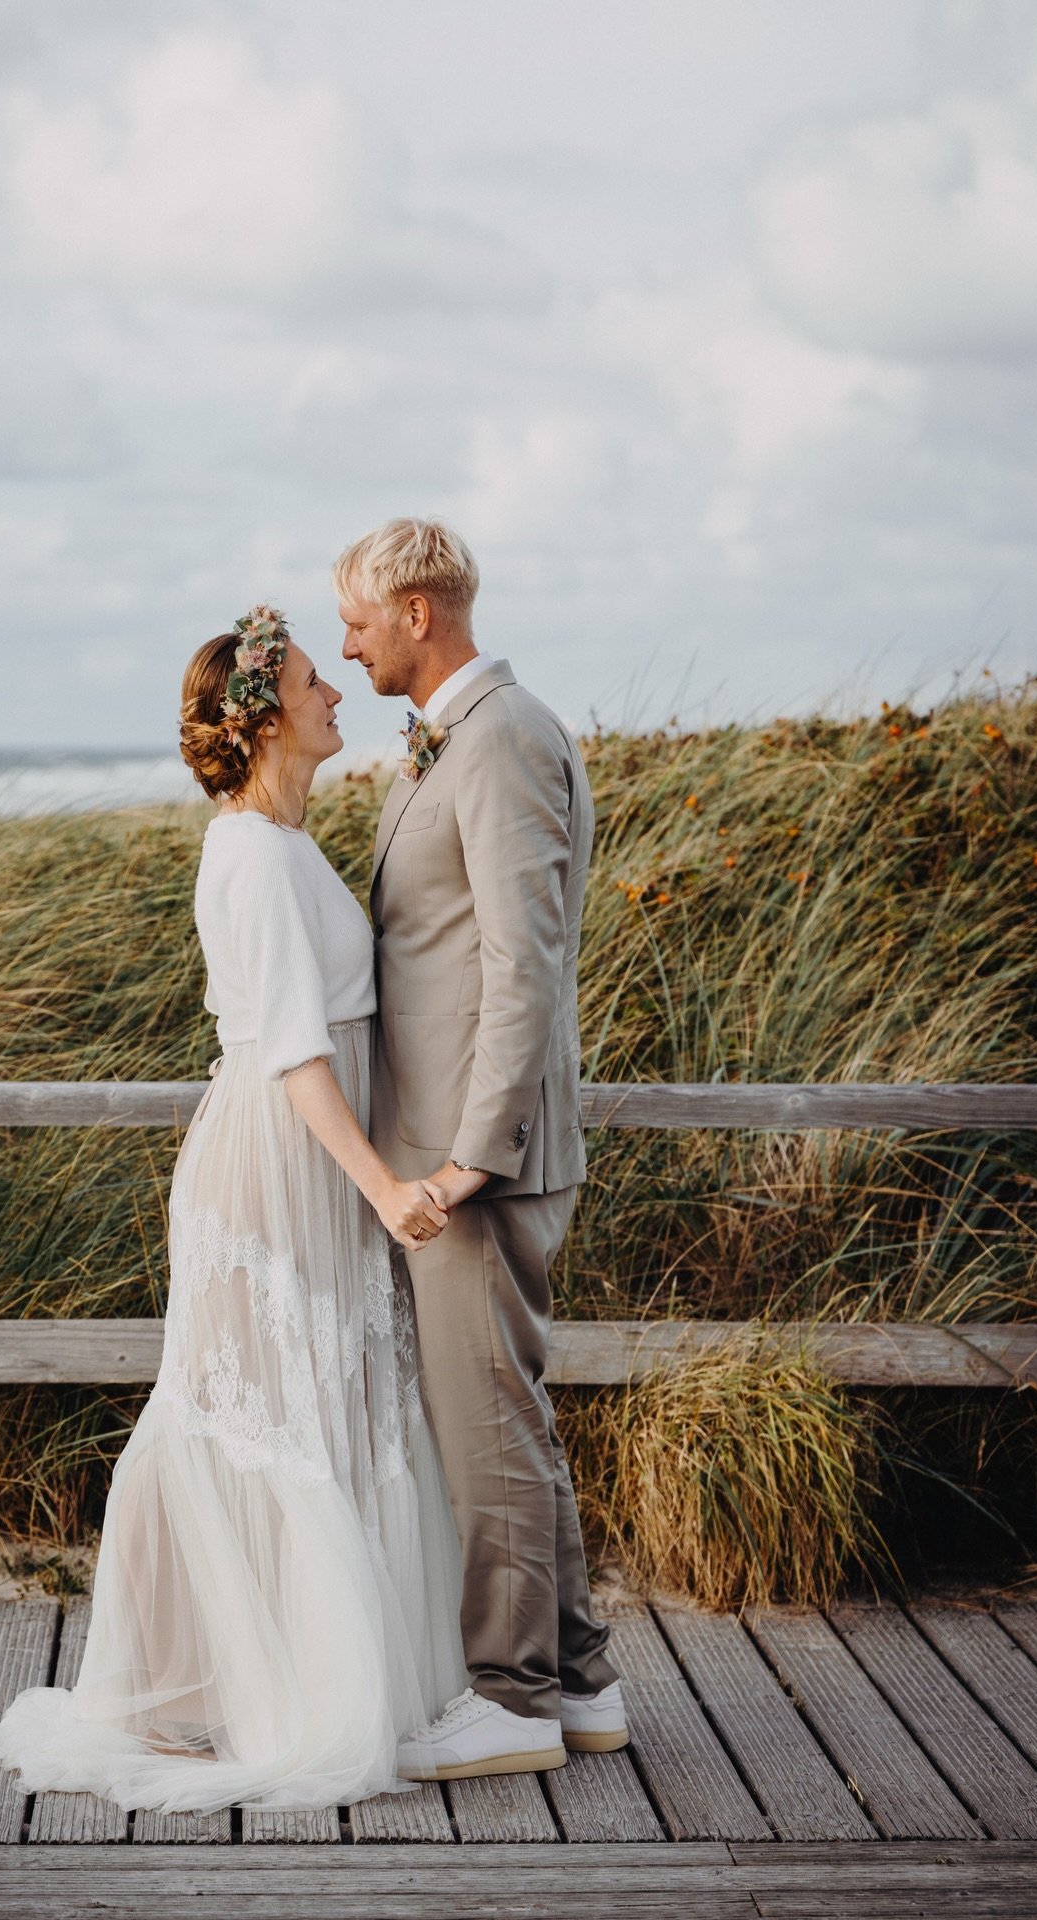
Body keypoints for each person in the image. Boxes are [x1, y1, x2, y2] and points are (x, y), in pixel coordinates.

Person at [0, 606, 472, 1813]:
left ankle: (298, 1681)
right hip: (277, 1166)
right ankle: (210, 1694)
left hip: (314, 1160)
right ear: (261, 722)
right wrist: (385, 1187)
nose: (336, 691)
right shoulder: (249, 855)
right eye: (310, 683)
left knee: (321, 1407)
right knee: (254, 1414)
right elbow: (295, 1049)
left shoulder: (286, 844)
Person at [335, 518, 630, 1782]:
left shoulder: (503, 736)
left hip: (476, 1155)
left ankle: (510, 1698)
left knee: (486, 1429)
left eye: (356, 621)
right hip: (458, 1143)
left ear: (416, 612)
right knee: (510, 1417)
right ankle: (581, 1683)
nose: (346, 645)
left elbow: (526, 964)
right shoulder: (463, 735)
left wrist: (471, 1158)